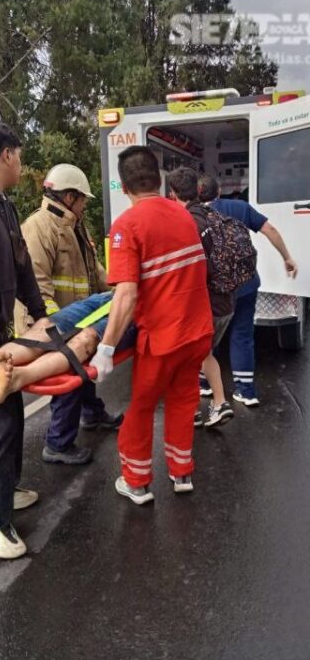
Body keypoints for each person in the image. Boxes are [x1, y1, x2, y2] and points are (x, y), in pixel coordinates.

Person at [97, 147, 212, 505]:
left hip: (164, 338)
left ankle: (136, 481)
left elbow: (127, 295)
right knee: (182, 401)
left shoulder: (127, 226)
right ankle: (181, 473)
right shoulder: (182, 216)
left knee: (141, 407)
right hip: (198, 333)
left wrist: (106, 347)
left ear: (125, 186)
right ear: (160, 180)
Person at [0, 120, 47, 560]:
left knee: (11, 414)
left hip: (0, 331)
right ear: (5, 156)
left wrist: (41, 315)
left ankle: (5, 490)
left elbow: (22, 268)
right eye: (19, 156)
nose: (21, 165)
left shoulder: (4, 206)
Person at [19, 163, 121, 466]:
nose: (86, 204)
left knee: (82, 369)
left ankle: (92, 413)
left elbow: (94, 271)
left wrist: (118, 287)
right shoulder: (38, 227)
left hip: (78, 318)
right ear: (69, 196)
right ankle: (58, 443)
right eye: (83, 198)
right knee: (69, 373)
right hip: (56, 322)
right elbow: (35, 284)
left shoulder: (74, 225)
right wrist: (53, 328)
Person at [200, 174, 298, 406]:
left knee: (206, 337)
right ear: (219, 191)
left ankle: (203, 384)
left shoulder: (194, 215)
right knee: (242, 335)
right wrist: (287, 257)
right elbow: (270, 230)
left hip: (215, 289)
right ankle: (246, 391)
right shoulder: (240, 207)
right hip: (246, 284)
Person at [165, 167, 235, 428]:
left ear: (172, 194)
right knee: (202, 354)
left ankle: (209, 405)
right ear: (197, 189)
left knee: (189, 356)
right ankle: (212, 405)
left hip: (205, 304)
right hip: (226, 300)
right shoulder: (211, 214)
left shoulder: (185, 223)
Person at [0, 291, 136, 403]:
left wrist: (106, 348)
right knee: (46, 326)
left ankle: (20, 376)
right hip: (110, 297)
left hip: (136, 308)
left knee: (85, 338)